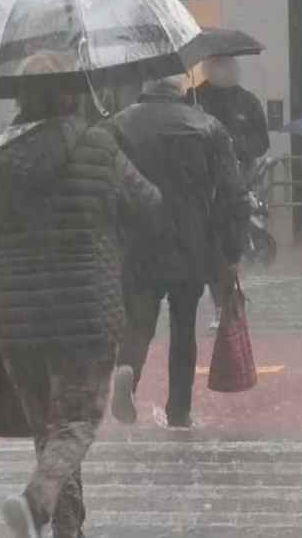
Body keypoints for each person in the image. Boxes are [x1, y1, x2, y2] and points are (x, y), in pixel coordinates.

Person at [0, 51, 161, 538]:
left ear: (22, 98)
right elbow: (149, 206)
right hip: (85, 315)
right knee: (78, 421)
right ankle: (36, 502)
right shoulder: (98, 145)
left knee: (50, 431)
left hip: (15, 323)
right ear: (73, 92)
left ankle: (69, 530)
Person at [103, 74, 249, 430]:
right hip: (191, 241)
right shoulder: (207, 126)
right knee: (184, 326)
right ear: (180, 93)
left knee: (139, 319)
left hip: (139, 240)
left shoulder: (118, 125)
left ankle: (128, 369)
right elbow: (233, 194)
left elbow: (103, 185)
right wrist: (230, 251)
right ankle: (179, 410)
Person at [187, 55, 269, 328]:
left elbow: (262, 141)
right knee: (213, 246)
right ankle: (221, 304)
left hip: (238, 182)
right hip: (205, 186)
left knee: (232, 243)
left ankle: (231, 297)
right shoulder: (195, 99)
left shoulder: (247, 102)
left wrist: (240, 146)